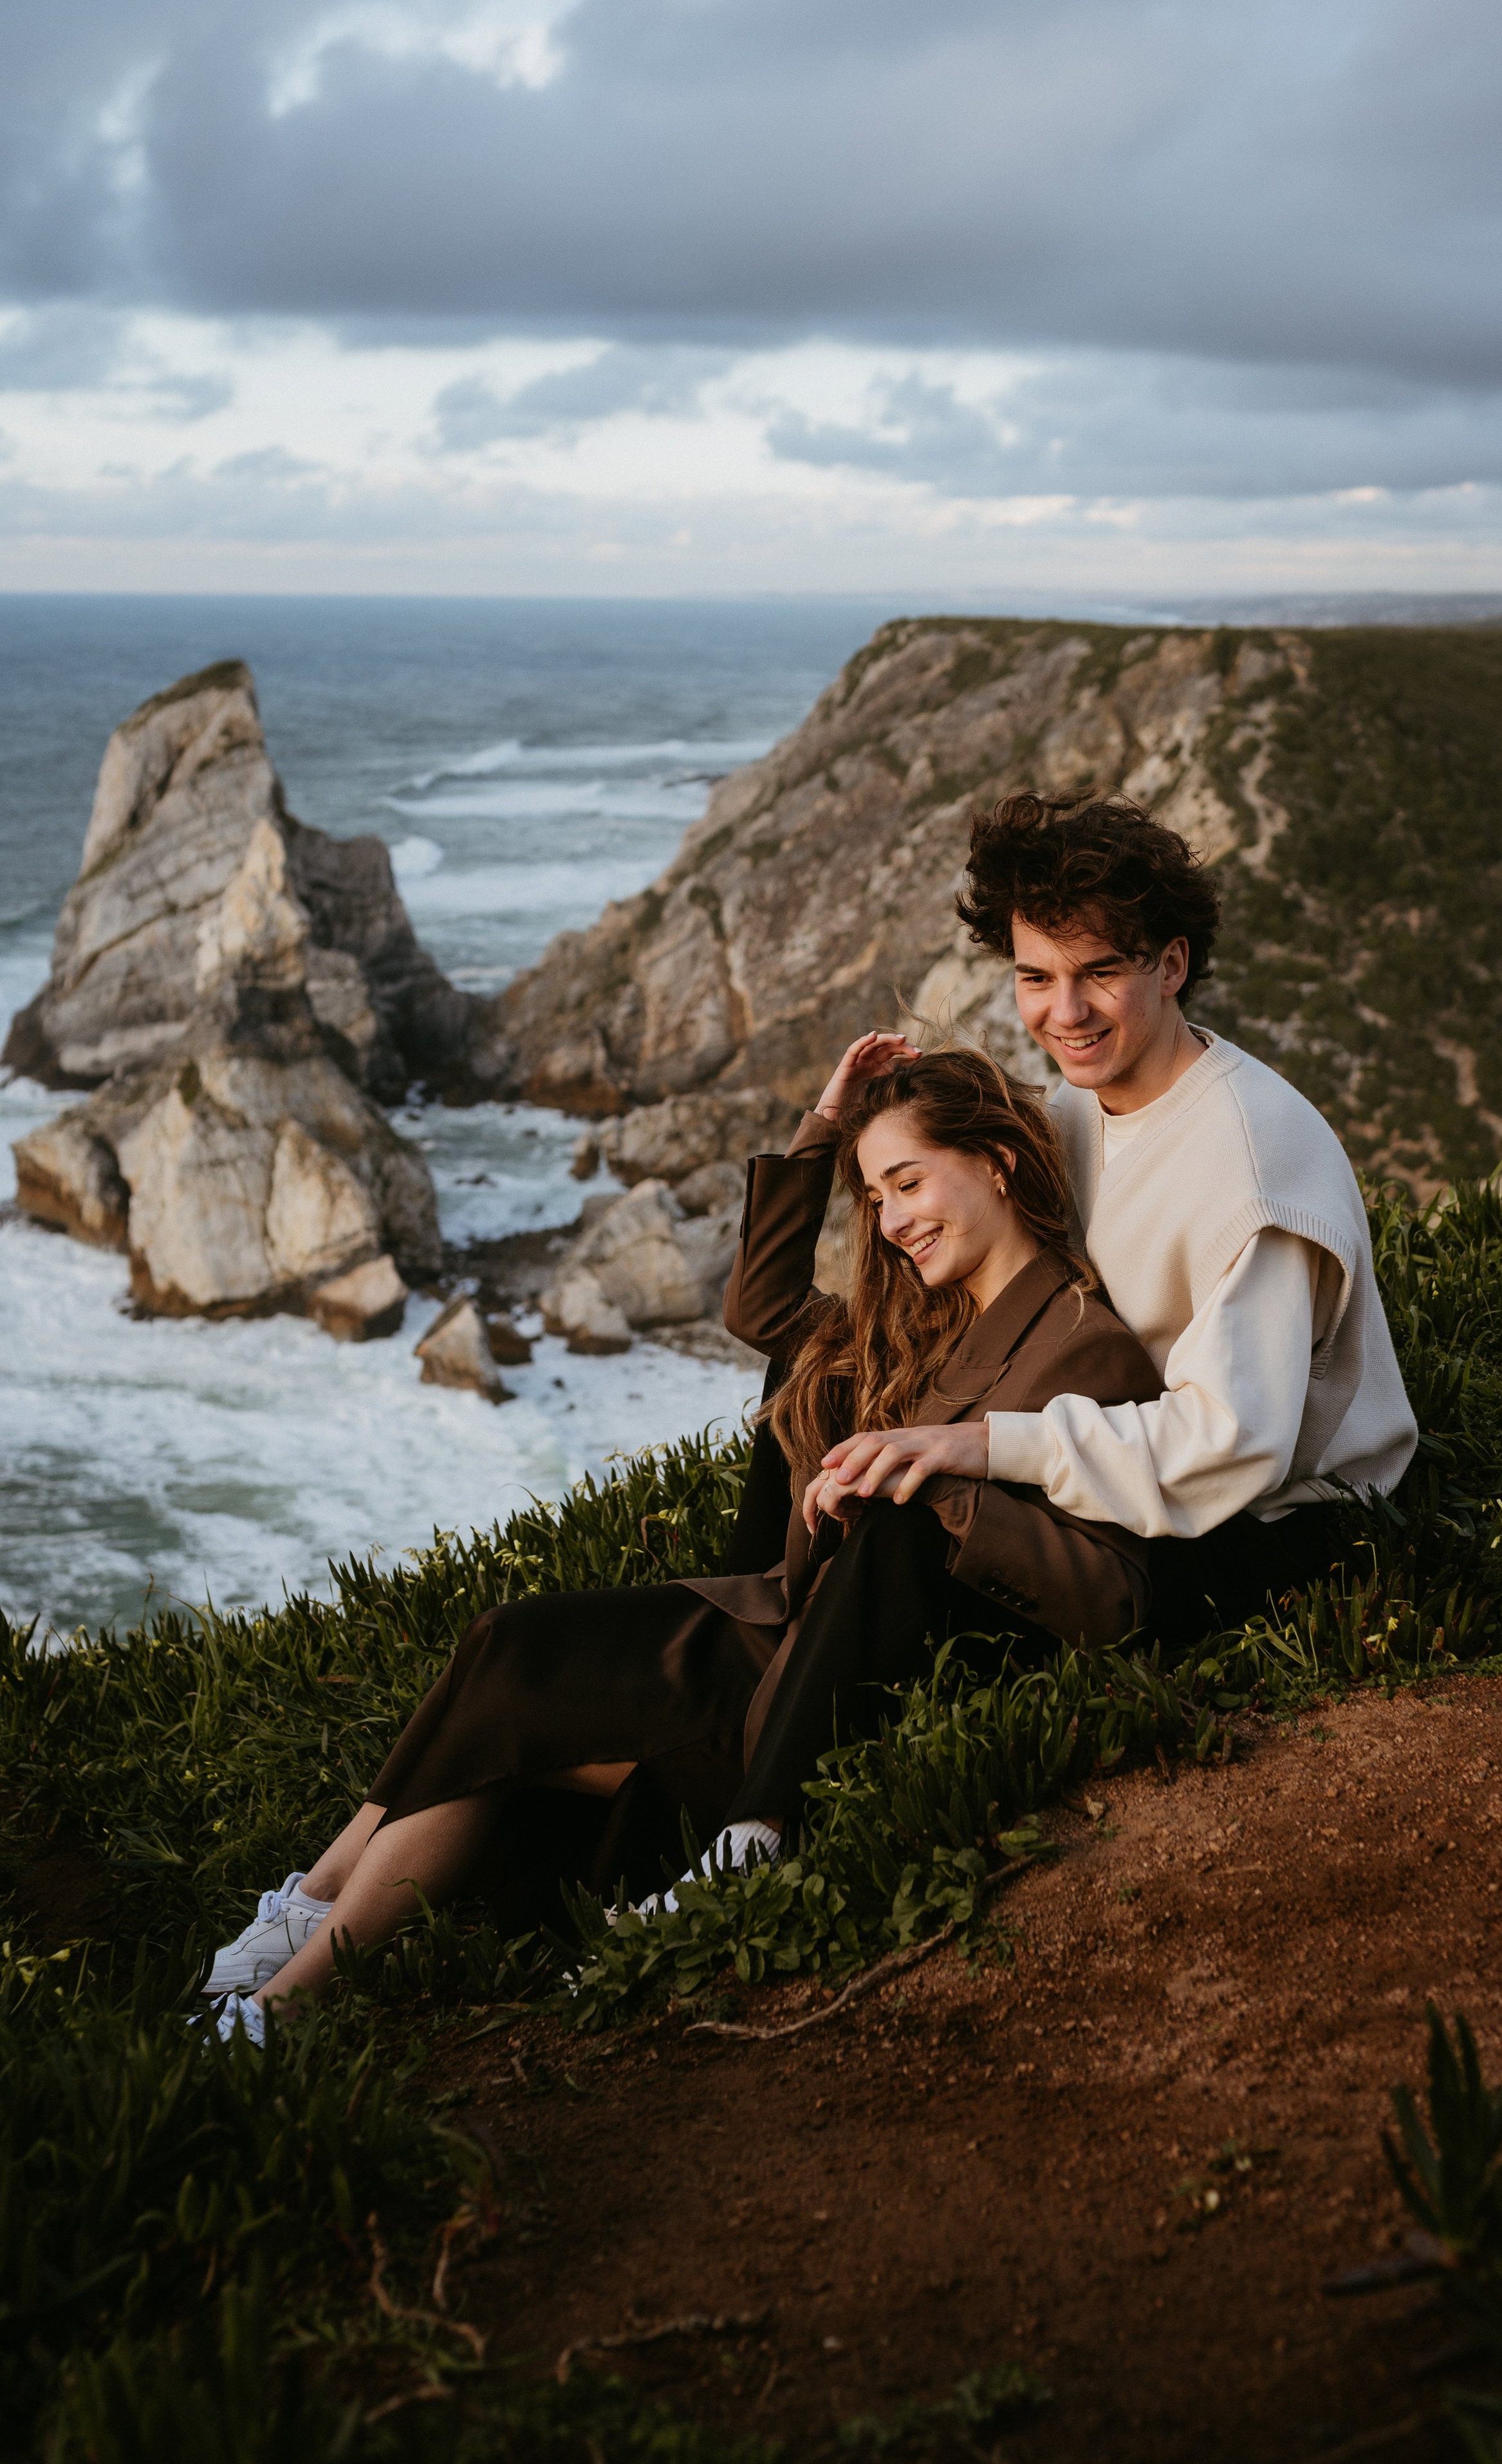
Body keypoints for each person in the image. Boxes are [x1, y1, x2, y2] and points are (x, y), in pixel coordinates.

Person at [201, 1042, 1160, 2041]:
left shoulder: (1083, 1343)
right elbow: (762, 1309)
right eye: (877, 1197)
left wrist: (938, 1483)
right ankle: (306, 1927)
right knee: (505, 1644)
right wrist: (823, 1125)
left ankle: (285, 1993)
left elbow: (1113, 1590)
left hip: (840, 1683)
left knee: (509, 1722)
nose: (892, 1221)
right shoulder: (918, 1319)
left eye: (910, 1183)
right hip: (768, 1635)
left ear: (997, 1163)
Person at [810, 794, 1418, 1651]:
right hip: (1111, 1456)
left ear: (1171, 965)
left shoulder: (1250, 1171)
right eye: (1036, 978)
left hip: (1258, 1530)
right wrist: (832, 1131)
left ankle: (782, 1713)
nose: (1065, 1014)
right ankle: (749, 1647)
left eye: (1099, 973)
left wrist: (981, 1445)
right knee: (818, 1387)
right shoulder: (1074, 1111)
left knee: (908, 1524)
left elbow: (1233, 1446)